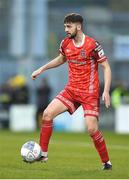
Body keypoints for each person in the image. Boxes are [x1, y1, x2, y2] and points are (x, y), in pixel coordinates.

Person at [31, 13, 112, 170]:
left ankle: (106, 163)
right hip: (71, 90)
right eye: (65, 27)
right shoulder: (65, 43)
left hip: (89, 93)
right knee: (47, 114)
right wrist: (41, 69)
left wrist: (106, 91)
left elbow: (106, 67)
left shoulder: (92, 44)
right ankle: (43, 153)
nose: (66, 30)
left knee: (91, 129)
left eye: (69, 26)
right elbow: (61, 59)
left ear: (78, 26)